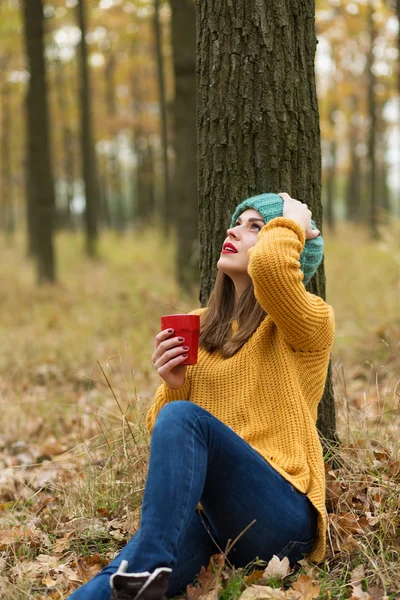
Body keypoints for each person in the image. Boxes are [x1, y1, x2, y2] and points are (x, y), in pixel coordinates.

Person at [69, 192, 335, 600]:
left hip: (280, 515)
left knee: (183, 422)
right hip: (212, 520)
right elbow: (171, 443)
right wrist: (172, 386)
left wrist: (291, 222)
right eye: (237, 222)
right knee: (119, 576)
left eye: (254, 227)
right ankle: (145, 569)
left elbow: (273, 271)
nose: (232, 230)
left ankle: (150, 563)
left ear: (290, 246)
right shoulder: (199, 327)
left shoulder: (308, 323)